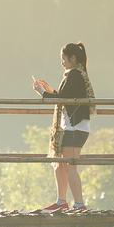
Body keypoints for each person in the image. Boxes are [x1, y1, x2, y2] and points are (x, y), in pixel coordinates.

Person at [32, 42, 95, 212]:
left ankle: (79, 204)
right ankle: (61, 201)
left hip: (75, 128)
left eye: (64, 59)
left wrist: (42, 93)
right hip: (72, 127)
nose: (62, 62)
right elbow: (64, 96)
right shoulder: (74, 75)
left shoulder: (74, 75)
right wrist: (49, 90)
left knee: (70, 165)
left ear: (73, 59)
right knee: (60, 163)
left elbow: (62, 99)